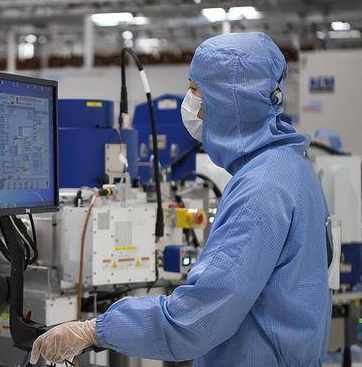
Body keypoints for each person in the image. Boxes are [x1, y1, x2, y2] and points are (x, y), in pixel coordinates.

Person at [30, 32, 332, 366]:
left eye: (195, 90)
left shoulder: (260, 189)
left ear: (228, 100)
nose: (190, 104)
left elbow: (194, 321)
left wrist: (93, 330)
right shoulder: (291, 167)